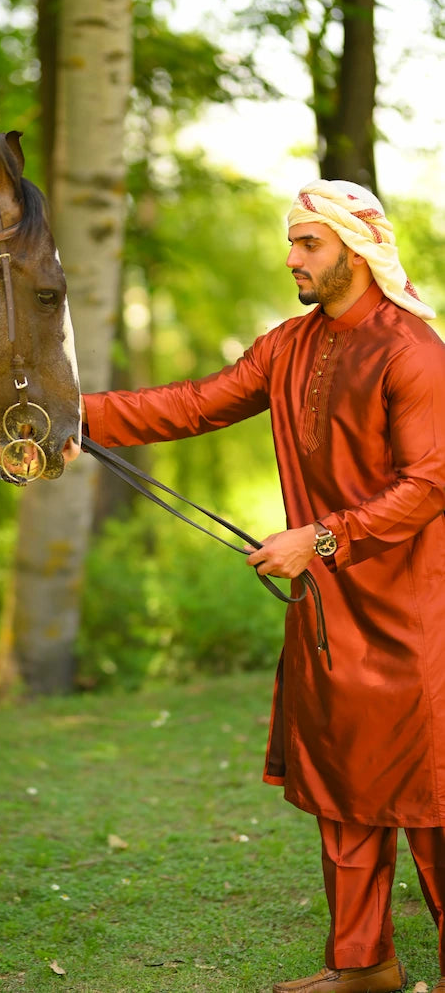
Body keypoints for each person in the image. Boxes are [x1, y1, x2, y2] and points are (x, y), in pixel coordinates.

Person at [79, 180, 445, 993]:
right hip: (328, 610)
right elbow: (194, 404)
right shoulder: (287, 346)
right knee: (345, 791)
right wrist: (76, 414)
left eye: (309, 244)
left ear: (355, 248)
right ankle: (364, 967)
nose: (292, 259)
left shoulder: (413, 352)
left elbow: (429, 483)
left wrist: (317, 539)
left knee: (434, 804)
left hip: (420, 619)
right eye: (292, 244)